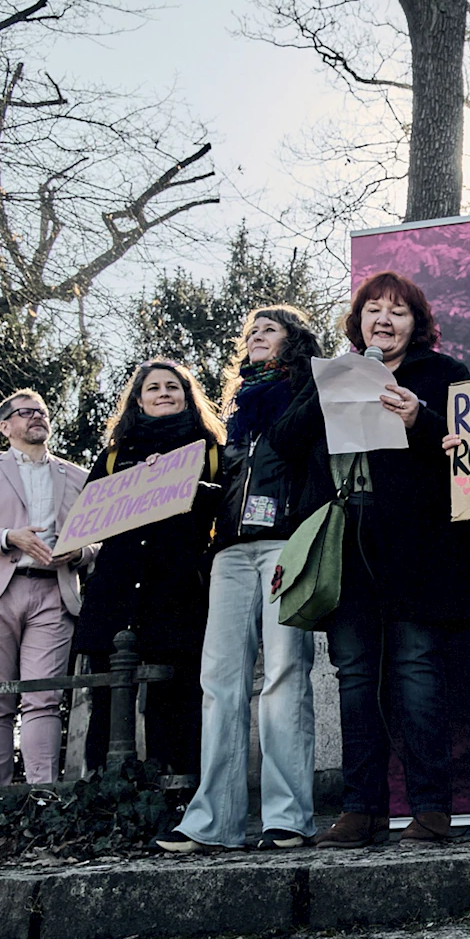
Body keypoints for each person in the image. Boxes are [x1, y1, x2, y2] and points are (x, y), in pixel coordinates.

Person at [273, 272, 470, 849]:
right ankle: (362, 809)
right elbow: (284, 443)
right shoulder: (331, 374)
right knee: (355, 676)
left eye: (398, 311)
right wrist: (327, 391)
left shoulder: (441, 375)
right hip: (346, 546)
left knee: (417, 672)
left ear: (416, 324)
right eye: (374, 310)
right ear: (358, 320)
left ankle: (430, 809)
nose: (384, 320)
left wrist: (421, 419)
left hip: (418, 547)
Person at [157, 307, 328, 853]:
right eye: (251, 332)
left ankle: (288, 818)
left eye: (269, 330)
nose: (256, 336)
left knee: (283, 674)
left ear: (293, 342)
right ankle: (215, 822)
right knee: (220, 681)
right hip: (229, 551)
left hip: (285, 541)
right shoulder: (233, 413)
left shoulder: (308, 392)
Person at [74, 361, 224, 779]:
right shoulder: (115, 454)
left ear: (187, 396)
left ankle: (176, 787)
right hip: (117, 587)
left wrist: (181, 484)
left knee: (174, 692)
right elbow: (89, 515)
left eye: (172, 387)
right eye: (153, 387)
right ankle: (102, 790)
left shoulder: (210, 450)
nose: (163, 393)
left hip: (177, 588)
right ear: (138, 400)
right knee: (106, 695)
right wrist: (138, 482)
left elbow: (225, 506)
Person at [0, 390, 95, 782]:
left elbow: (101, 541)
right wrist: (9, 537)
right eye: (25, 413)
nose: (36, 417)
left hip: (54, 594)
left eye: (42, 412)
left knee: (44, 698)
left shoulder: (78, 475)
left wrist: (77, 555)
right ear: (5, 426)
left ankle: (42, 797)